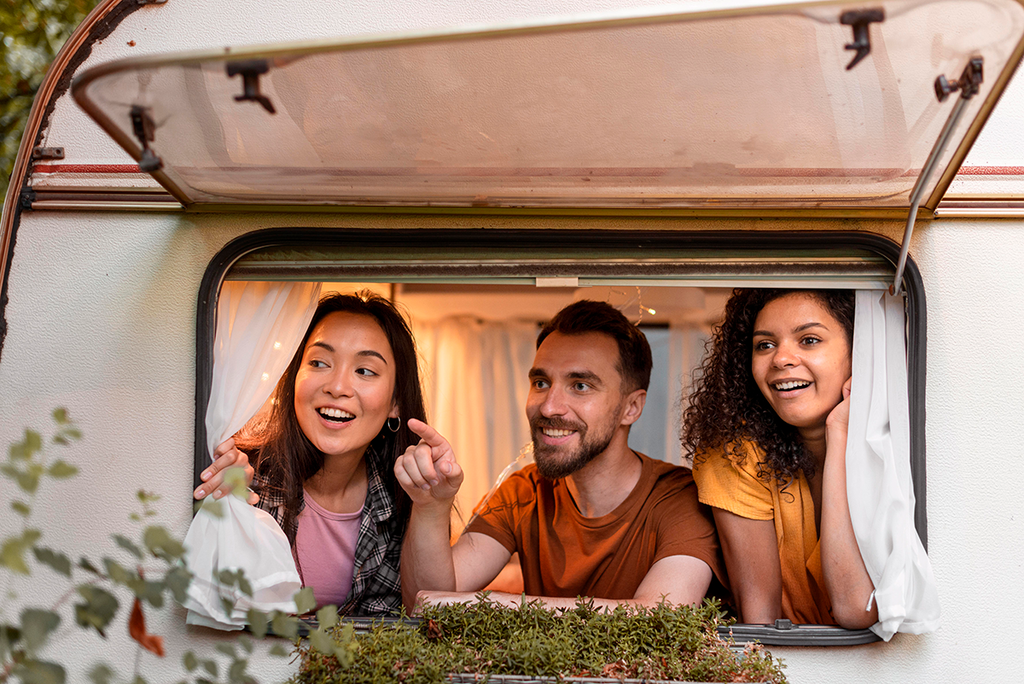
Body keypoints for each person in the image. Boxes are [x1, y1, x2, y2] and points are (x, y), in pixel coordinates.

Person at [395, 300, 723, 612]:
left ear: (631, 407)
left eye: (580, 386)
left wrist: (497, 604)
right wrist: (431, 507)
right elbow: (424, 602)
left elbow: (659, 616)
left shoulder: (679, 498)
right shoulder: (522, 492)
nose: (549, 406)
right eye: (541, 382)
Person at [194, 291, 427, 616]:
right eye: (319, 363)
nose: (337, 386)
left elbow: (397, 623)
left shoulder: (400, 503)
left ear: (396, 402)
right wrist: (229, 502)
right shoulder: (245, 474)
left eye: (365, 371)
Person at [682, 289, 876, 629]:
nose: (781, 359)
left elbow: (854, 605)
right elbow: (761, 622)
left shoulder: (896, 444)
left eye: (809, 340)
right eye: (765, 345)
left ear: (858, 352)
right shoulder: (735, 452)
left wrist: (840, 433)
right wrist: (840, 430)